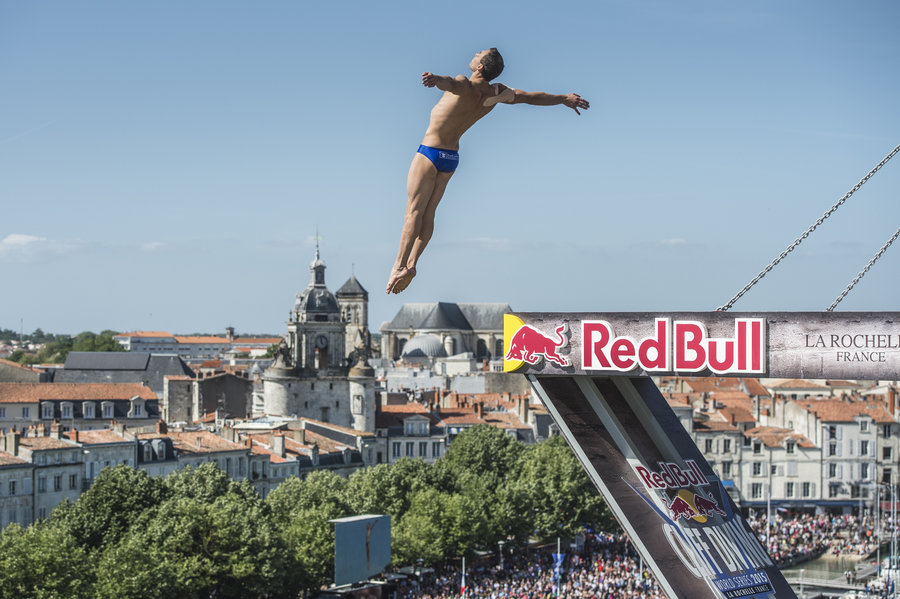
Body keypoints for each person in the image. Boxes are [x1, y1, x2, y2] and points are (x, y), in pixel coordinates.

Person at [386, 48, 590, 294]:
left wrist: (435, 79)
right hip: (450, 158)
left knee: (413, 212)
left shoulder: (464, 83)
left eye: (479, 53)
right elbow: (531, 97)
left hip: (429, 153)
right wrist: (564, 99)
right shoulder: (498, 93)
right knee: (429, 214)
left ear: (480, 66)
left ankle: (399, 266)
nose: (475, 52)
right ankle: (412, 263)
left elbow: (449, 83)